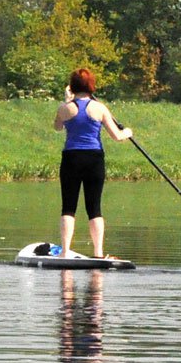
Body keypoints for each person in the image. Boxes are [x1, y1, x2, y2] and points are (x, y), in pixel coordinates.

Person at [53, 68, 132, 259]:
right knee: (94, 207)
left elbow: (57, 127)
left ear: (72, 87)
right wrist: (128, 132)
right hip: (94, 159)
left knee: (68, 207)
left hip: (71, 158)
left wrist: (67, 101)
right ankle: (98, 253)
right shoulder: (100, 108)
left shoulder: (65, 108)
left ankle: (64, 252)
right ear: (91, 86)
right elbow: (117, 136)